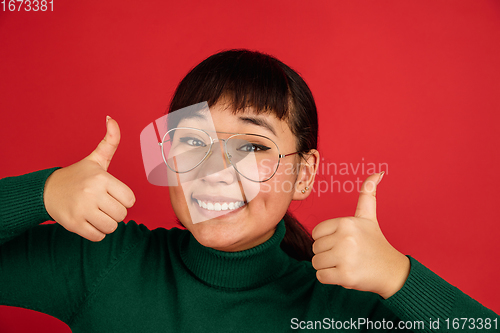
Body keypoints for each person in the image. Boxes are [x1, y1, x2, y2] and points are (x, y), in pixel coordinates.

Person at [0, 49, 497, 332]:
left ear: (304, 174)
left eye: (252, 146)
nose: (214, 168)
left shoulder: (344, 311)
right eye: (193, 140)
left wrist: (399, 277)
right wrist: (41, 193)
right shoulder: (102, 265)